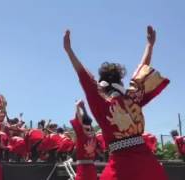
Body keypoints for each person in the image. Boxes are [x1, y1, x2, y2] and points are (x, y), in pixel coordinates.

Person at [63, 25, 169, 180]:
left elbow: (85, 78)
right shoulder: (132, 98)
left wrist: (69, 51)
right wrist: (149, 46)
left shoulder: (101, 104)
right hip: (149, 168)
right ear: (120, 83)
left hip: (121, 169)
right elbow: (142, 72)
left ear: (102, 87)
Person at [70, 100, 97, 180]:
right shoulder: (94, 135)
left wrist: (77, 106)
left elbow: (79, 119)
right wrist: (83, 108)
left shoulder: (81, 133)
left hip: (82, 170)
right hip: (92, 169)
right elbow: (86, 120)